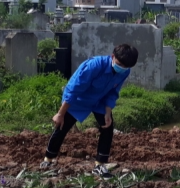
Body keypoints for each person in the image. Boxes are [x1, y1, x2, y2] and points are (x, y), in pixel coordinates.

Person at [41, 44, 139, 179]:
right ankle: (48, 160)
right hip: (79, 99)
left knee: (107, 127)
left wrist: (108, 112)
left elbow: (113, 92)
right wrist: (60, 113)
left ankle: (100, 165)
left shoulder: (124, 71)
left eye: (125, 66)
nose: (121, 68)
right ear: (112, 57)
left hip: (99, 101)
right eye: (119, 64)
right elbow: (74, 88)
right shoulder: (94, 65)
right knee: (62, 126)